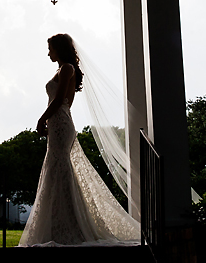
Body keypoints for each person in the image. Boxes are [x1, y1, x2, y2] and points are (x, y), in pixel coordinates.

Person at [18, 33, 140, 247]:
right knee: (56, 168)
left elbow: (60, 99)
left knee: (60, 167)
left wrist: (42, 119)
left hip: (61, 123)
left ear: (59, 49)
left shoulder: (66, 69)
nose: (48, 53)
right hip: (58, 123)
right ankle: (58, 222)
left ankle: (70, 221)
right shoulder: (61, 70)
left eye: (51, 48)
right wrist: (51, 121)